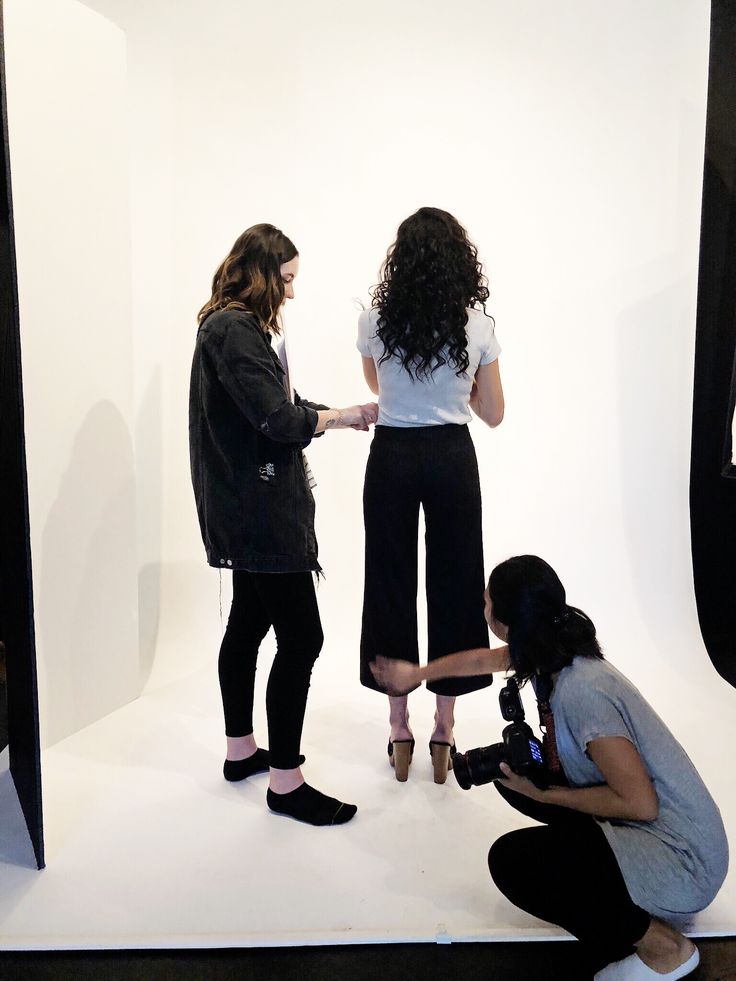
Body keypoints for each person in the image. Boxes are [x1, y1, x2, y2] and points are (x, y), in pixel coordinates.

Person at [371, 555, 728, 979]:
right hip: (661, 833)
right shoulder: (549, 647)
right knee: (508, 769)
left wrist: (544, 795)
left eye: (486, 602)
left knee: (514, 863)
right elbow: (482, 661)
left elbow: (641, 804)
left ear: (504, 621)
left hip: (684, 861)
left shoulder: (583, 693)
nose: (481, 606)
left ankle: (664, 949)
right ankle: (607, 877)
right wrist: (418, 674)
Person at [190, 223, 377, 826]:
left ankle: (241, 752)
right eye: (288, 279)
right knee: (303, 639)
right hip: (261, 513)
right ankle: (286, 784)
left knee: (247, 624)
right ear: (264, 272)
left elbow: (273, 404)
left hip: (246, 508)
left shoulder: (228, 328)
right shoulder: (235, 330)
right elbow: (275, 419)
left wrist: (340, 417)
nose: (292, 294)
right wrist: (342, 415)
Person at [358, 206, 505, 784]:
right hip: (450, 457)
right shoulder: (477, 325)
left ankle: (399, 726)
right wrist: (457, 385)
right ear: (458, 260)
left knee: (389, 580)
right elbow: (493, 413)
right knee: (456, 584)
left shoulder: (374, 318)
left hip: (392, 456)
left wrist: (414, 391)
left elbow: (378, 385)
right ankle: (444, 729)